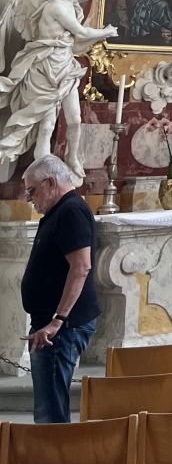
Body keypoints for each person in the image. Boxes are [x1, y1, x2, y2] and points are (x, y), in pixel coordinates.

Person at [20, 153, 100, 423]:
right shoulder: (61, 211)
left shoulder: (71, 211)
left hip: (62, 328)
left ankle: (56, 452)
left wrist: (57, 320)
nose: (29, 198)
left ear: (51, 183)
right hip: (53, 325)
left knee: (50, 412)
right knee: (48, 406)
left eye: (32, 190)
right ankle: (53, 450)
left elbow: (81, 267)